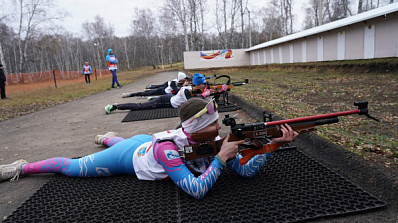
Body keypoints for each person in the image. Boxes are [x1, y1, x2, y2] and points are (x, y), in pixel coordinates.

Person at [0, 98, 298, 199]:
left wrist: (269, 145)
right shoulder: (168, 150)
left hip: (146, 140)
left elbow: (245, 172)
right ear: (197, 130)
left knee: (123, 140)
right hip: (133, 156)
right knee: (73, 167)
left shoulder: (211, 141)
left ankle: (109, 136)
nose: (219, 129)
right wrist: (220, 160)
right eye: (213, 125)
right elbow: (196, 190)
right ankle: (21, 167)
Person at [104, 73, 211, 114]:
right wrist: (204, 95)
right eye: (203, 84)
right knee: (140, 106)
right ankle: (115, 106)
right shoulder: (186, 90)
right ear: (197, 85)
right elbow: (193, 104)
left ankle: (152, 98)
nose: (205, 85)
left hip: (170, 97)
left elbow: (198, 97)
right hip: (165, 101)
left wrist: (214, 93)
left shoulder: (192, 88)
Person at [122, 72, 188, 98]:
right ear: (181, 78)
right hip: (162, 91)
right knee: (147, 94)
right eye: (184, 78)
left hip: (164, 93)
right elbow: (176, 91)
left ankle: (147, 90)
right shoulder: (173, 82)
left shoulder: (180, 82)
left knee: (148, 93)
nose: (185, 80)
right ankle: (130, 94)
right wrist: (183, 86)